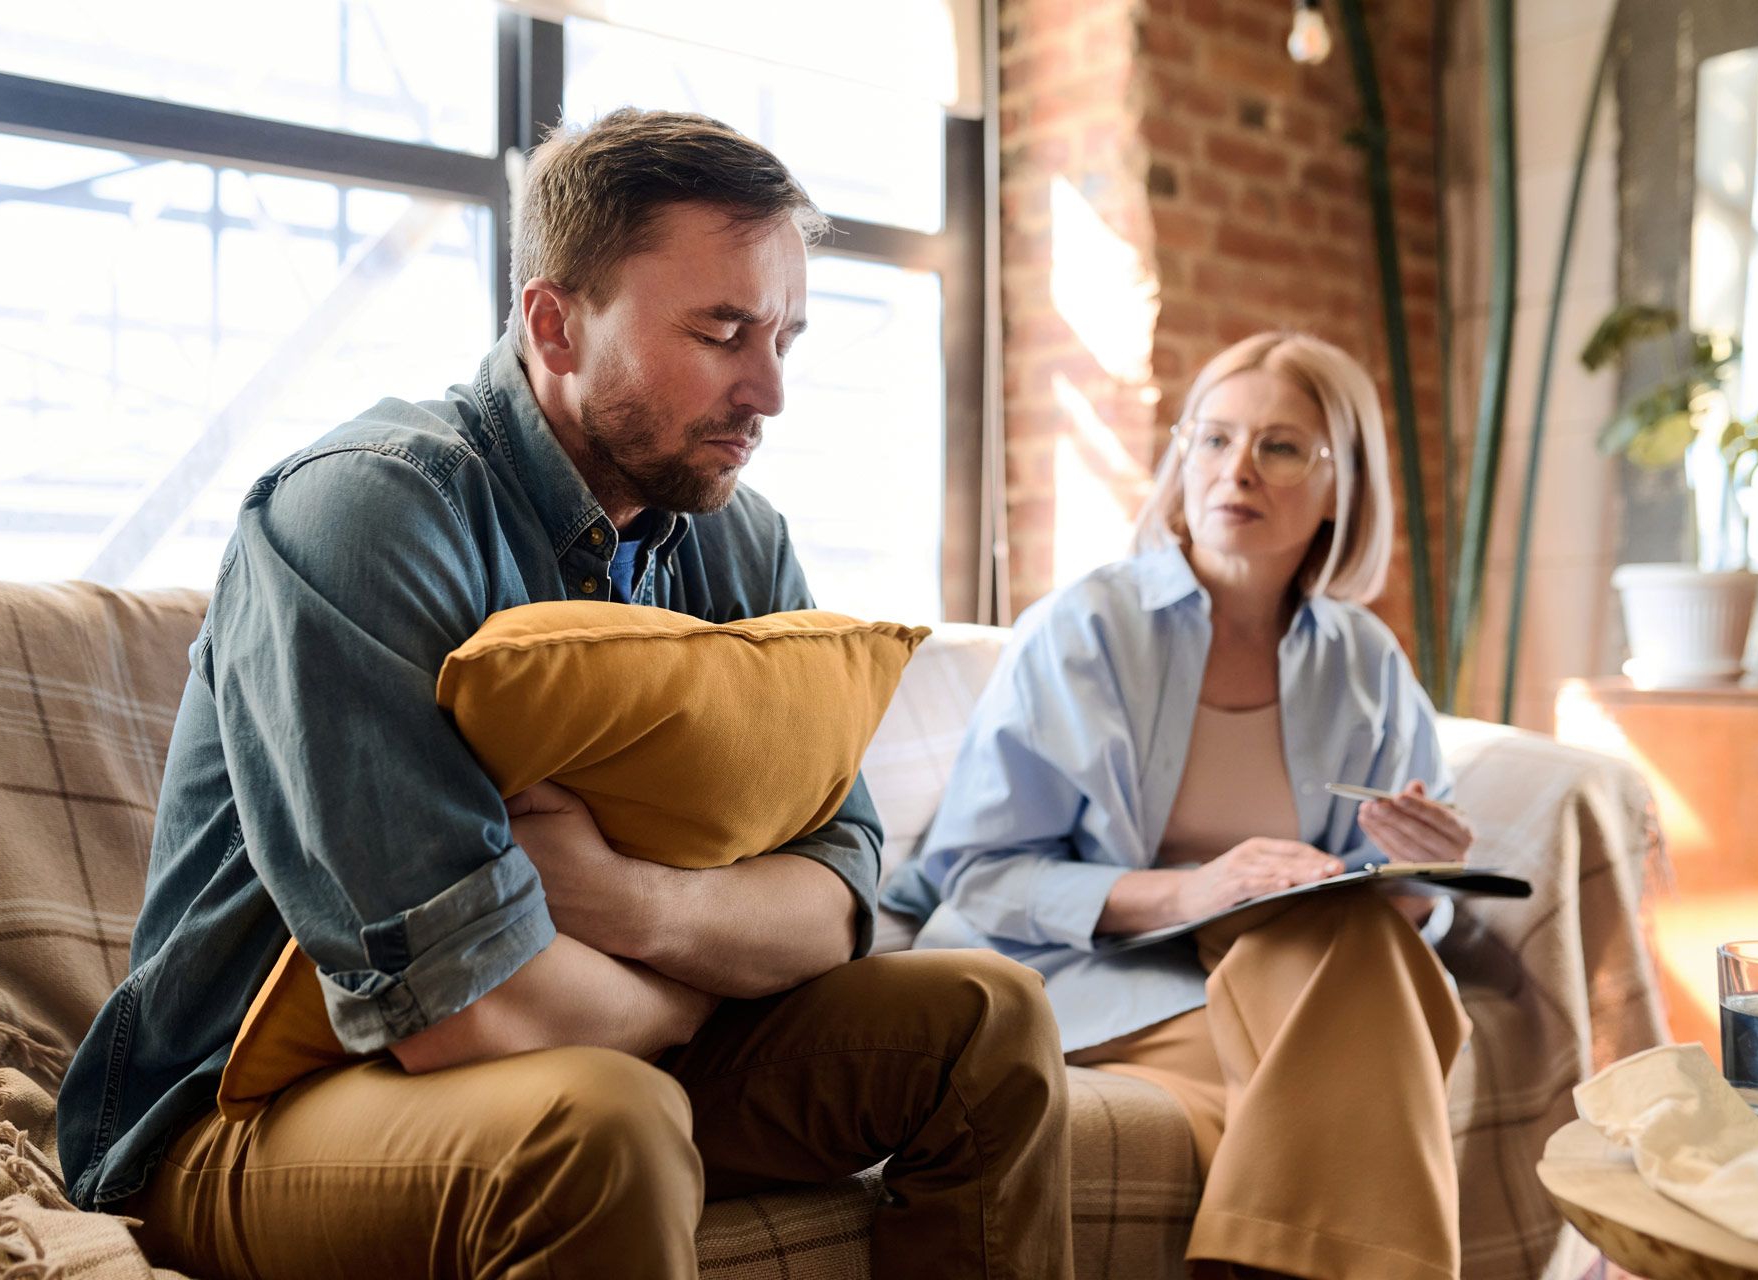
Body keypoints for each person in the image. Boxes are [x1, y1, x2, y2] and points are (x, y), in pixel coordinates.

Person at [57, 109, 1071, 1280]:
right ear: (553, 322)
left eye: (784, 333)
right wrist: (695, 997)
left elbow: (840, 895)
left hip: (593, 1024)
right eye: (723, 329)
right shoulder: (365, 514)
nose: (770, 390)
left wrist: (630, 905)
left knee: (989, 1024)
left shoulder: (736, 542)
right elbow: (458, 1009)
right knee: (598, 1125)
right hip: (260, 1104)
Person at [884, 331, 1476, 1280]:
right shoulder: (1085, 630)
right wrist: (1194, 894)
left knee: (1372, 951)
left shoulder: (1364, 660)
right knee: (1373, 1045)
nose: (1236, 468)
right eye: (1212, 438)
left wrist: (1421, 869)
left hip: (1281, 967)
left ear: (1340, 486)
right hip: (1080, 965)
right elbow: (980, 873)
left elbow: (1394, 910)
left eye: (1280, 447)